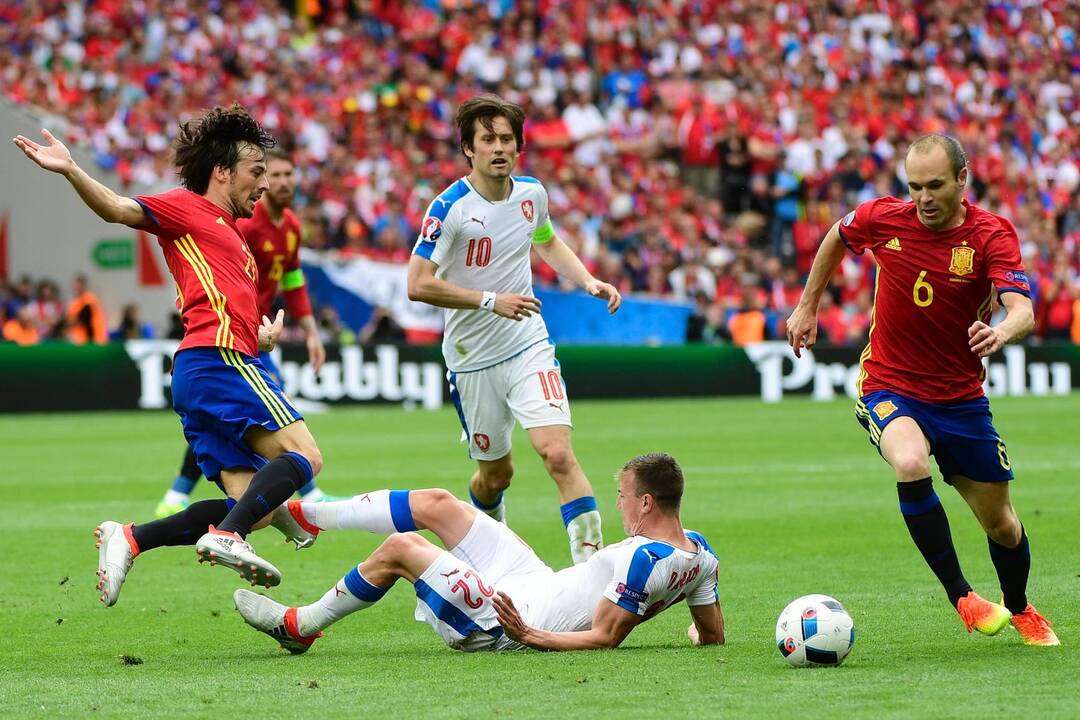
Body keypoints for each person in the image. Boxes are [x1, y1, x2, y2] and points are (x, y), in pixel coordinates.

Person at [13, 105, 324, 607]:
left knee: (255, 508)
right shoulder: (185, 207)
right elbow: (117, 208)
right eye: (256, 172)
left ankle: (131, 538)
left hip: (206, 366)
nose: (263, 184)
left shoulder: (237, 239)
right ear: (222, 172)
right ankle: (227, 536)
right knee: (306, 456)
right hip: (218, 361)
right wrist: (72, 169)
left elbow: (214, 302)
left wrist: (261, 338)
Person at [786, 134, 1058, 646]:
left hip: (960, 398)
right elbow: (836, 237)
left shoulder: (990, 234)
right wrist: (808, 305)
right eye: (915, 187)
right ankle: (963, 598)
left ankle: (1019, 607)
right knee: (909, 462)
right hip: (889, 384)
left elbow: (1021, 307)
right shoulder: (882, 217)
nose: (924, 198)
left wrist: (1001, 330)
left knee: (1001, 524)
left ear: (962, 178)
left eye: (935, 185)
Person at [406, 94, 622, 565]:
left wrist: (586, 279)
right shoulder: (450, 208)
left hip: (527, 342)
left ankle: (594, 577)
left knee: (557, 453)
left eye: (506, 139)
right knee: (494, 476)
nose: (498, 147)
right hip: (471, 358)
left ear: (519, 146)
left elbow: (545, 240)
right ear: (469, 148)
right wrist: (489, 300)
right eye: (488, 140)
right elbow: (417, 284)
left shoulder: (532, 195)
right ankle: (494, 549)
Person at [233, 452, 724, 653]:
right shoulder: (701, 553)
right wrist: (693, 633)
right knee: (438, 503)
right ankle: (302, 516)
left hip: (506, 620)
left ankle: (299, 627)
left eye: (622, 495)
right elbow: (712, 634)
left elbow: (604, 638)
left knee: (403, 548)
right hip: (534, 579)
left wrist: (529, 634)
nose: (618, 504)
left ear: (645, 502)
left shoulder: (644, 560)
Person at [153, 148, 335, 518]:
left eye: (286, 175)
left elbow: (294, 280)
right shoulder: (244, 225)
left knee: (238, 416)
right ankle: (305, 490)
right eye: (273, 174)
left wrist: (311, 331)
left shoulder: (291, 227)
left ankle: (181, 498)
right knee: (252, 415)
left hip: (259, 332)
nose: (279, 183)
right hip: (231, 333)